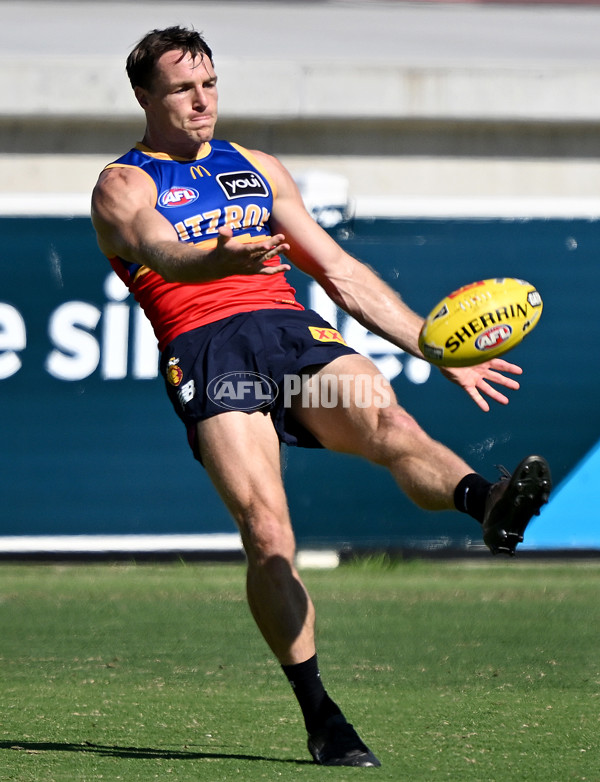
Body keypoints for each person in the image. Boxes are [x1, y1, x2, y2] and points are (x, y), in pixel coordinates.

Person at [91, 26, 552, 768]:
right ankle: (321, 715)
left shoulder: (256, 168)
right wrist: (215, 255)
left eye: (210, 84)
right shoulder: (124, 182)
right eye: (182, 88)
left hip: (289, 331)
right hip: (206, 346)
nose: (202, 100)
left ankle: (484, 502)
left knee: (386, 419)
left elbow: (339, 269)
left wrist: (435, 348)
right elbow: (157, 250)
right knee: (269, 533)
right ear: (146, 96)